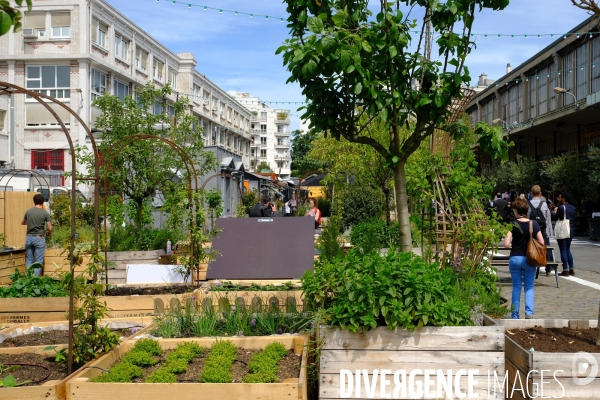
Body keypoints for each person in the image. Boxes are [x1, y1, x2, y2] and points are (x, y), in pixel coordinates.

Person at [503, 197, 545, 319]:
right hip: (529, 259)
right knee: (529, 287)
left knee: (516, 286)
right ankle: (529, 313)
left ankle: (515, 315)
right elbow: (541, 242)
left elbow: (506, 244)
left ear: (516, 210)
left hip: (515, 258)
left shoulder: (512, 224)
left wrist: (512, 244)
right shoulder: (534, 224)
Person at [21, 193, 53, 275]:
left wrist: (31, 222)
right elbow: (50, 228)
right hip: (39, 237)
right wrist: (48, 233)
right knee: (38, 260)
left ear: (34, 201)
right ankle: (35, 280)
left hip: (29, 237)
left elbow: (23, 223)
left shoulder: (28, 211)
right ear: (42, 202)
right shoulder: (45, 213)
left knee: (29, 259)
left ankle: (28, 279)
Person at [527, 185, 554, 275]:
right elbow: (547, 218)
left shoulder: (528, 204)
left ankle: (532, 265)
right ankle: (548, 268)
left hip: (532, 230)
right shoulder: (544, 204)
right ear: (540, 193)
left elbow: (527, 218)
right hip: (542, 230)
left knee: (531, 247)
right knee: (546, 247)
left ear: (531, 193)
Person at [552, 191, 576, 276]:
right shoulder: (573, 208)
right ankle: (571, 268)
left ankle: (565, 269)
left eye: (560, 197)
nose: (559, 199)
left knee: (563, 250)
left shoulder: (561, 208)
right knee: (568, 249)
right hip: (571, 228)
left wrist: (555, 211)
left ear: (563, 199)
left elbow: (555, 217)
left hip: (563, 229)